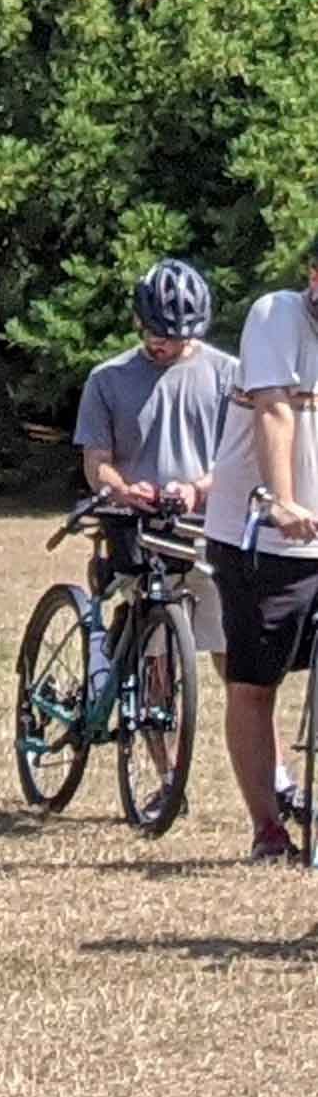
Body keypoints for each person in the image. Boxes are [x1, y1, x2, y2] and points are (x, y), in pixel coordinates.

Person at [74, 259, 236, 732]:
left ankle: (274, 772)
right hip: (138, 532)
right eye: (156, 332)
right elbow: (95, 460)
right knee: (155, 660)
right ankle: (163, 774)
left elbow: (241, 460)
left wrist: (197, 489)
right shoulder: (107, 379)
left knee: (233, 652)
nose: (164, 343)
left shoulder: (230, 377)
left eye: (179, 335)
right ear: (137, 323)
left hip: (206, 532)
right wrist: (123, 489)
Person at [209, 226, 318, 861]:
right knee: (256, 682)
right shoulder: (274, 316)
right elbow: (275, 410)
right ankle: (268, 827)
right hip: (262, 535)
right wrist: (281, 500)